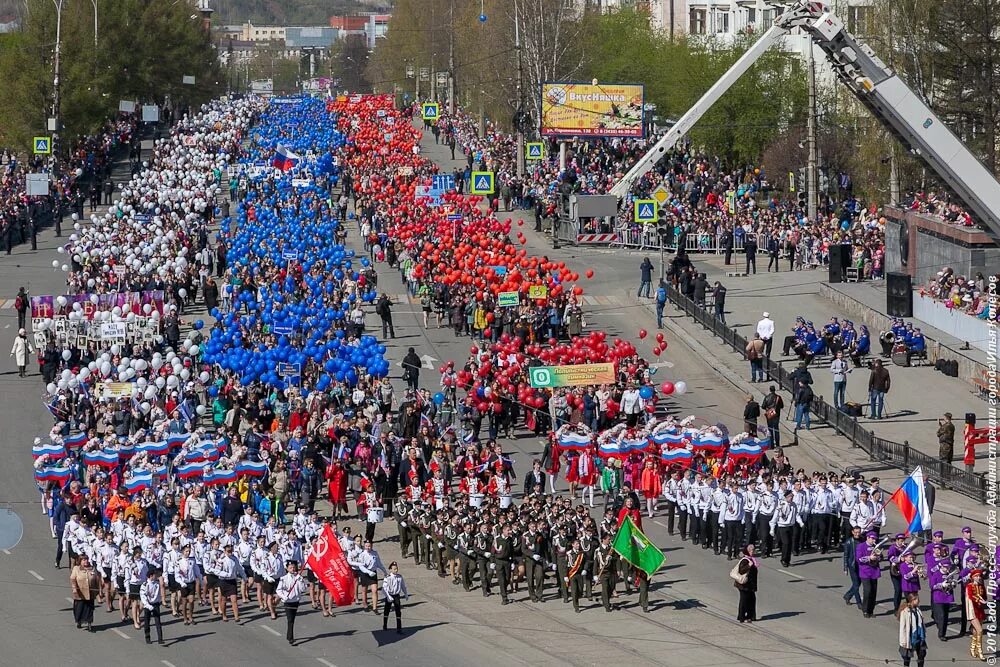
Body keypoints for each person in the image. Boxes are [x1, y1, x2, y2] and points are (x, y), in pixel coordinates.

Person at [276, 559, 309, 644]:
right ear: (287, 569)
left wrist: (301, 580)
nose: (292, 569)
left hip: (296, 601)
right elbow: (279, 590)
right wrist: (284, 596)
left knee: (292, 619)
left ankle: (289, 636)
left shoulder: (298, 577)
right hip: (287, 601)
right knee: (290, 619)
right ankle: (291, 638)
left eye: (294, 567)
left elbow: (303, 589)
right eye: (290, 568)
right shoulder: (283, 578)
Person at [70, 553, 101, 632]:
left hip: (90, 593)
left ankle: (89, 623)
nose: (86, 561)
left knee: (89, 608)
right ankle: (78, 621)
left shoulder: (92, 568)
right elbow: (73, 579)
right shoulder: (76, 569)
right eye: (83, 560)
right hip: (80, 593)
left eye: (86, 559)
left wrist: (99, 591)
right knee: (79, 609)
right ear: (80, 561)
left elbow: (97, 580)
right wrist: (74, 589)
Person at [856, 530, 882, 618]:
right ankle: (865, 610)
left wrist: (878, 557)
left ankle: (871, 610)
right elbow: (859, 559)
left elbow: (881, 558)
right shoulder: (861, 546)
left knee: (874, 592)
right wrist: (869, 558)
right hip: (865, 572)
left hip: (874, 571)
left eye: (875, 539)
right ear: (867, 538)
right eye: (872, 539)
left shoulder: (876, 547)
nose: (874, 540)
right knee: (867, 590)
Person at [897, 593, 927, 667]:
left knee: (921, 655)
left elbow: (921, 623)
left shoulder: (918, 610)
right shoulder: (905, 612)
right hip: (910, 638)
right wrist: (903, 642)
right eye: (916, 599)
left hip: (919, 637)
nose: (918, 600)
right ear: (911, 600)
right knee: (907, 658)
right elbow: (902, 628)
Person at [965, 569, 987, 660]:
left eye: (979, 576)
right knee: (980, 630)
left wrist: (984, 601)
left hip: (980, 610)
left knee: (975, 631)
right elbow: (971, 596)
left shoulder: (982, 586)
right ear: (973, 577)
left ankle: (972, 648)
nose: (978, 578)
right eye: (976, 576)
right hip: (972, 610)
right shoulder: (969, 586)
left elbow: (985, 596)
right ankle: (980, 651)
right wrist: (979, 599)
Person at [381, 561, 408, 634]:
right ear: (390, 569)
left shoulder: (400, 577)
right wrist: (388, 596)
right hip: (389, 595)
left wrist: (405, 594)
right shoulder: (388, 578)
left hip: (396, 595)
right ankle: (385, 625)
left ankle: (399, 628)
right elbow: (384, 589)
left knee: (398, 611)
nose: (396, 570)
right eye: (394, 569)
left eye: (396, 569)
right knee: (387, 610)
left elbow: (403, 586)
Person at [734, 544, 758, 623]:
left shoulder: (752, 559)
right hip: (744, 585)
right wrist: (748, 566)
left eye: (753, 549)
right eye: (751, 550)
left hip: (750, 585)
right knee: (744, 600)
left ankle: (750, 616)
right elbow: (741, 571)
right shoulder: (745, 560)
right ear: (747, 551)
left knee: (752, 600)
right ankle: (741, 617)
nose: (753, 551)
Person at [140, 568, 164, 645]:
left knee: (158, 622)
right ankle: (147, 637)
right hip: (148, 605)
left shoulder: (157, 583)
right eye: (155, 575)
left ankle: (160, 638)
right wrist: (148, 605)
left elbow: (158, 595)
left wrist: (159, 601)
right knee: (147, 622)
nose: (156, 576)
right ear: (151, 576)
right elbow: (143, 597)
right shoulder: (144, 585)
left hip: (155, 604)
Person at [842, 525, 863, 609]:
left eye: (859, 532)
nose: (857, 534)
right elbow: (846, 556)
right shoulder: (848, 542)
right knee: (856, 585)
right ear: (853, 532)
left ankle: (848, 595)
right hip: (852, 565)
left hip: (861, 565)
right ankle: (859, 602)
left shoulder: (862, 540)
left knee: (858, 583)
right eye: (856, 532)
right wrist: (845, 568)